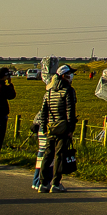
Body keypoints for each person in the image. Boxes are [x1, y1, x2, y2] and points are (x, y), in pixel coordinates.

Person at [36, 65, 77, 193]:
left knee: (48, 155)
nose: (71, 77)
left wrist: (44, 127)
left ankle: (43, 182)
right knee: (59, 155)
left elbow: (44, 111)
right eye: (70, 74)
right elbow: (70, 111)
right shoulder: (67, 91)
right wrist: (71, 129)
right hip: (63, 126)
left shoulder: (49, 91)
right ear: (64, 76)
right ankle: (56, 182)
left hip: (51, 127)